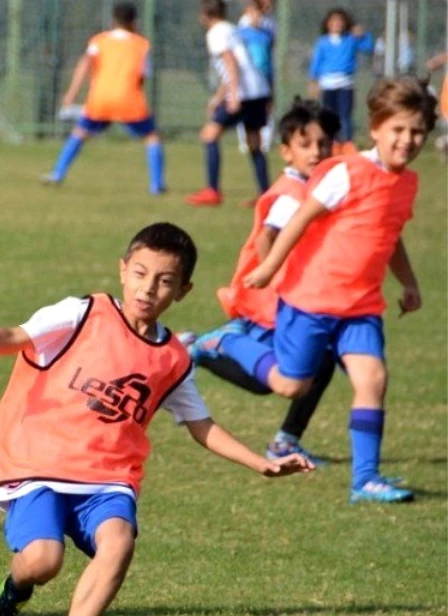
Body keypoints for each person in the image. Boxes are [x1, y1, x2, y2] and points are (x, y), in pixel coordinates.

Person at [0, 223, 312, 616]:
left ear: (182, 291)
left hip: (107, 477)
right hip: (39, 462)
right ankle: (12, 592)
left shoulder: (173, 358)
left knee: (119, 541)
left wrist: (260, 462)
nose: (149, 287)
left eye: (165, 280)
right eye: (141, 273)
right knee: (42, 561)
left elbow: (200, 425)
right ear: (123, 270)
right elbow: (16, 336)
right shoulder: (81, 313)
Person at [223, 77, 436, 503]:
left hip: (361, 306)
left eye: (417, 132)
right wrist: (269, 266)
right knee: (290, 385)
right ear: (375, 128)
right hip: (311, 301)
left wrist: (409, 283)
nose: (407, 140)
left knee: (373, 379)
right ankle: (226, 341)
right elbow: (300, 218)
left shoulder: (407, 183)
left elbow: (390, 237)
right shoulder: (347, 172)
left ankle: (365, 480)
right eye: (398, 129)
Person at [184, 99, 340, 463]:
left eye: (323, 144)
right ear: (286, 151)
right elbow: (267, 236)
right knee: (269, 380)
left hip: (291, 301)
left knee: (320, 363)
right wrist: (275, 270)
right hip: (272, 301)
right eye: (306, 145)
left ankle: (286, 440)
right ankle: (204, 345)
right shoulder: (292, 193)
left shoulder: (315, 187)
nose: (316, 152)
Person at [41, 2, 164, 195]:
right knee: (152, 138)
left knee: (80, 133)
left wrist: (71, 94)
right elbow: (142, 76)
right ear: (134, 22)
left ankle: (57, 173)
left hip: (101, 99)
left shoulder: (99, 41)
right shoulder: (141, 45)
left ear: (113, 20)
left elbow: (84, 66)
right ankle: (156, 185)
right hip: (129, 99)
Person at [187, 0, 272, 207]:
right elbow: (238, 64)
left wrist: (232, 95)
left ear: (204, 15)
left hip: (243, 93)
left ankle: (212, 191)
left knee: (209, 136)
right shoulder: (232, 29)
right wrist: (219, 96)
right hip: (258, 90)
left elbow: (231, 62)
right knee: (254, 143)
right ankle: (266, 194)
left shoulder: (216, 33)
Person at [308, 8, 374, 148]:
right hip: (328, 84)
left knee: (345, 116)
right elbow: (317, 62)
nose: (337, 24)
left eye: (340, 21)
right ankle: (331, 142)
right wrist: (313, 80)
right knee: (328, 115)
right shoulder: (323, 42)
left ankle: (347, 143)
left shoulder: (350, 40)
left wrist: (363, 34)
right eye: (334, 21)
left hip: (345, 84)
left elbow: (368, 47)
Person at [236, 0, 275, 155]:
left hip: (264, 75)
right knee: (244, 109)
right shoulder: (242, 32)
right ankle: (244, 141)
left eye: (258, 13)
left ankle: (265, 141)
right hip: (248, 77)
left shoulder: (267, 33)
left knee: (267, 109)